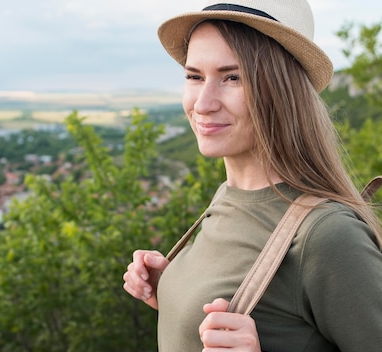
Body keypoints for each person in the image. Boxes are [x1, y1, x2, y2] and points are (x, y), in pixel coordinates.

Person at [122, 0, 382, 351]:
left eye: (232, 77)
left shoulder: (327, 236)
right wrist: (174, 288)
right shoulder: (226, 196)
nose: (203, 103)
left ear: (281, 90)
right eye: (194, 76)